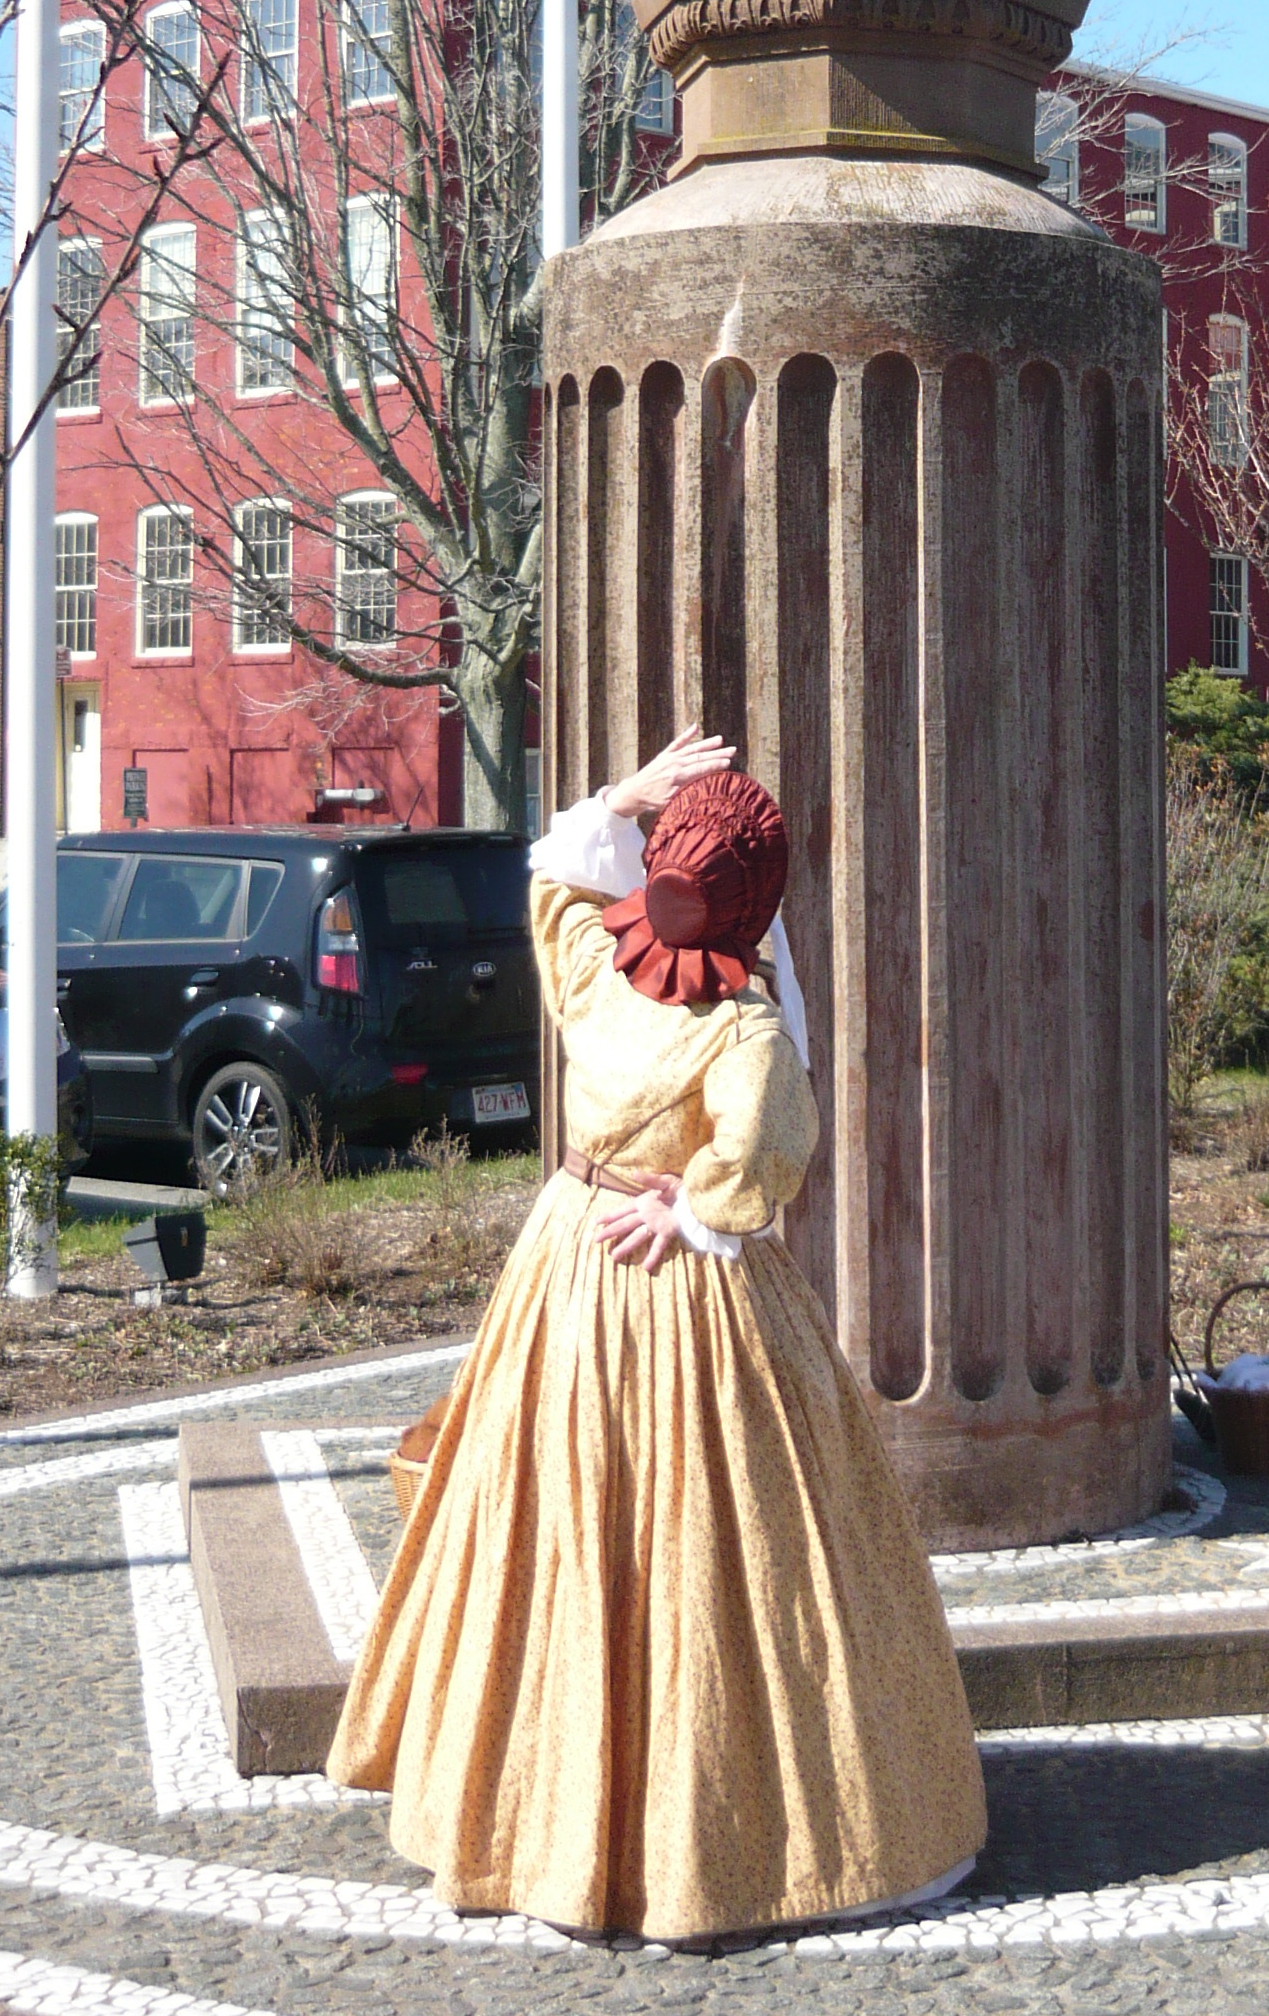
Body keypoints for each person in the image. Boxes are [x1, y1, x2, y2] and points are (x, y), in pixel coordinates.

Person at [328, 726, 986, 1945]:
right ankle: (715, 1839)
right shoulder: (741, 1026)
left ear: (658, 866)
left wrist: (619, 799)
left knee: (560, 1521)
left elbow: (552, 871)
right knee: (714, 1549)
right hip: (682, 1277)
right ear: (760, 901)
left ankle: (533, 1813)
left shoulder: (583, 957)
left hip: (572, 1253)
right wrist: (695, 1208)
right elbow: (767, 1155)